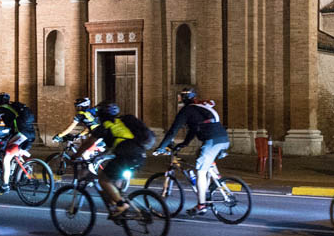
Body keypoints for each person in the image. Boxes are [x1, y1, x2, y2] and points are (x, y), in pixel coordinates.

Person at [153, 87, 230, 217]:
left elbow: (173, 130)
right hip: (223, 139)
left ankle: (201, 205)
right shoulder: (199, 107)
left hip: (212, 142)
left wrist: (161, 147)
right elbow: (193, 130)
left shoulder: (186, 110)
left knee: (200, 171)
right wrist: (184, 144)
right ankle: (212, 183)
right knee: (202, 158)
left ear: (182, 99)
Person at [75, 102, 145, 218]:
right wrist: (100, 155)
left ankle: (121, 205)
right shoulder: (122, 122)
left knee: (103, 179)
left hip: (126, 157)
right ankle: (116, 203)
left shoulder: (105, 126)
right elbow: (115, 144)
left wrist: (76, 155)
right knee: (113, 180)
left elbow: (88, 143)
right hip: (140, 155)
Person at [0, 92, 36, 195]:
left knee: (6, 157)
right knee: (14, 153)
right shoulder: (14, 107)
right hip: (31, 133)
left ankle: (5, 185)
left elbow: (8, 125)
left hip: (22, 134)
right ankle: (23, 170)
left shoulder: (2, 109)